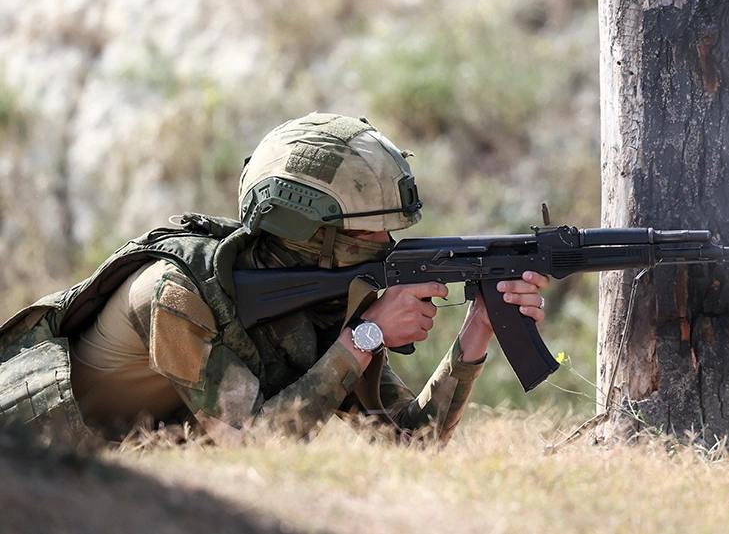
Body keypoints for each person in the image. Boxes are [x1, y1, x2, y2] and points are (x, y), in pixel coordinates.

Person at [0, 112, 549, 444]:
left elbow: (412, 439)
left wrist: (478, 329)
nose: (387, 244)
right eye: (368, 232)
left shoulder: (324, 300)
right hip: (32, 464)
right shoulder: (173, 293)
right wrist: (365, 338)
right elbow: (255, 444)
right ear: (307, 232)